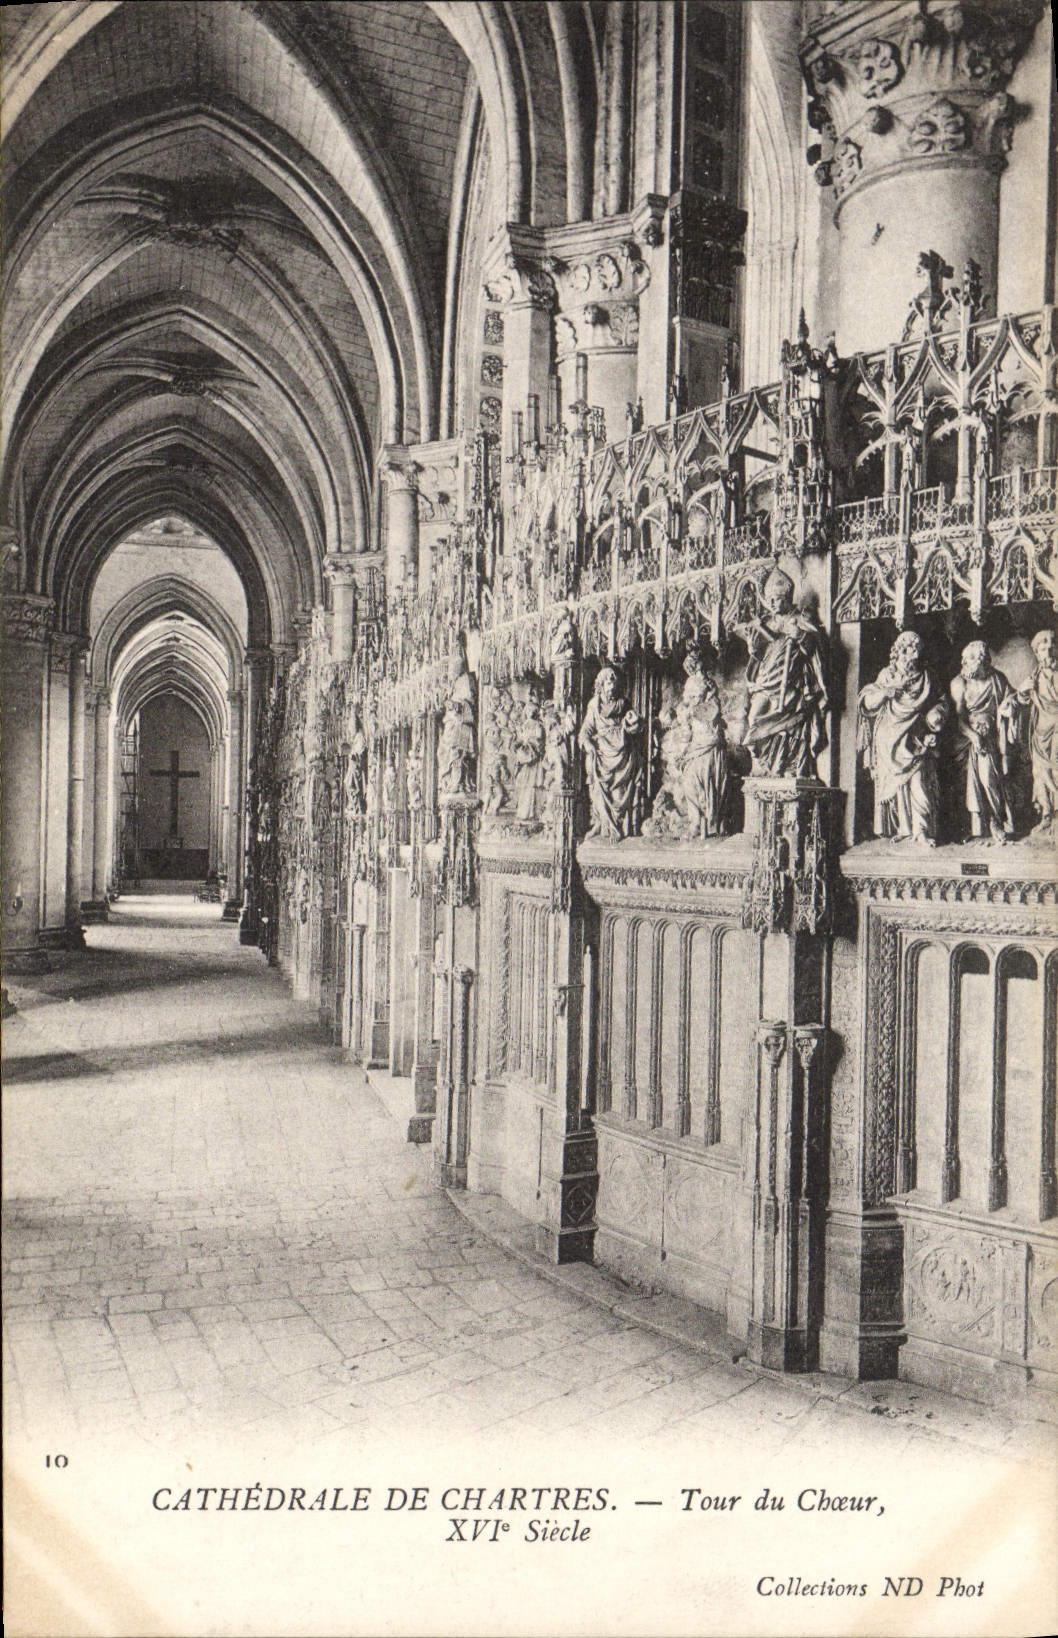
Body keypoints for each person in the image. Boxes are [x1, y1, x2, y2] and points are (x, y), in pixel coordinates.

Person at [857, 631, 948, 842]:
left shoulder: (927, 677)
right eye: (908, 650)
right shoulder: (887, 676)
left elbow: (942, 701)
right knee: (897, 787)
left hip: (917, 737)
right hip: (889, 738)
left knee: (919, 782)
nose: (914, 655)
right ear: (898, 651)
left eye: (917, 650)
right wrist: (885, 693)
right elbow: (867, 702)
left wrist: (937, 715)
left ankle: (921, 831)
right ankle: (904, 830)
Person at [742, 568, 829, 778]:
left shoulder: (799, 620)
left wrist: (800, 636)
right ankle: (761, 764)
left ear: (788, 599)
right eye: (770, 599)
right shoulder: (768, 623)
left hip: (790, 684)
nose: (772, 603)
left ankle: (786, 766)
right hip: (766, 682)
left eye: (777, 599)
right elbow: (761, 658)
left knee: (788, 728)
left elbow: (815, 651)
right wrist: (753, 650)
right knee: (754, 719)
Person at [949, 641, 1018, 840]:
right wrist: (974, 736)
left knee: (988, 776)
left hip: (991, 736)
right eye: (963, 659)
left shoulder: (997, 679)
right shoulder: (959, 683)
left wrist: (1009, 706)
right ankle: (975, 827)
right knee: (969, 780)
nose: (964, 663)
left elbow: (1011, 698)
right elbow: (958, 718)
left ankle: (996, 820)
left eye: (969, 659)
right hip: (966, 736)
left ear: (982, 661)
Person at [579, 666, 643, 840]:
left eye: (615, 684)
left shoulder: (623, 704)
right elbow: (585, 730)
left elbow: (634, 727)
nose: (612, 688)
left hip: (621, 753)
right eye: (609, 683)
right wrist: (587, 744)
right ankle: (601, 823)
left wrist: (632, 725)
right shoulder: (594, 705)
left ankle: (617, 826)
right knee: (597, 790)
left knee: (619, 793)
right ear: (601, 685)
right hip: (601, 754)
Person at [1018, 629, 1058, 836]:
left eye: (1052, 648)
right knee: (1039, 773)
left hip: (1057, 729)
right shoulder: (1035, 675)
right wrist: (1022, 691)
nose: (1048, 653)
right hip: (1040, 732)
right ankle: (1046, 814)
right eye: (1043, 649)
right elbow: (1024, 700)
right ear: (1037, 653)